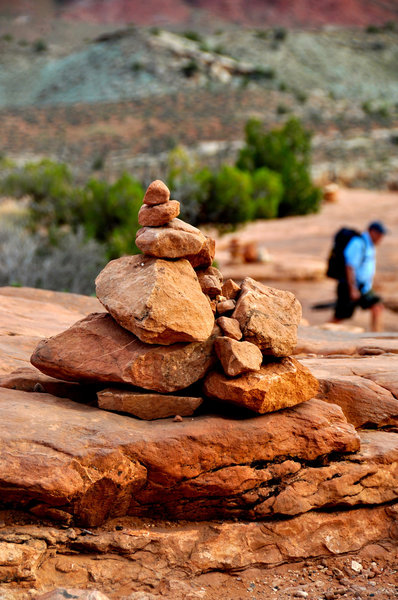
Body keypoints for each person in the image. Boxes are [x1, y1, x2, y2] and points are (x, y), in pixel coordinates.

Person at [331, 221, 387, 331]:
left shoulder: (370, 245)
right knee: (340, 317)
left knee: (377, 307)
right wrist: (353, 289)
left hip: (363, 288)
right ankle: (320, 333)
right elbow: (350, 266)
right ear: (372, 232)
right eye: (379, 234)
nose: (381, 237)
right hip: (350, 286)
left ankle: (376, 337)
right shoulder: (358, 243)